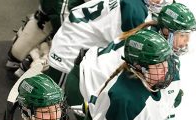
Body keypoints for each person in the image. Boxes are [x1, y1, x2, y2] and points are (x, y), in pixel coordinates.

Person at [82, 30, 179, 120]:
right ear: (139, 67)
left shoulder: (157, 79)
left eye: (166, 61)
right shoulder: (124, 100)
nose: (166, 70)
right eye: (158, 66)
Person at [45, 0, 173, 86]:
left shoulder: (135, 6)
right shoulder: (134, 11)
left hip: (77, 34)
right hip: (71, 48)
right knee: (54, 99)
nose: (160, 2)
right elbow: (133, 51)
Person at [5, 0, 89, 77]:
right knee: (70, 42)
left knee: (42, 21)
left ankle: (19, 56)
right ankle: (38, 64)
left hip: (51, 4)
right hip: (67, 6)